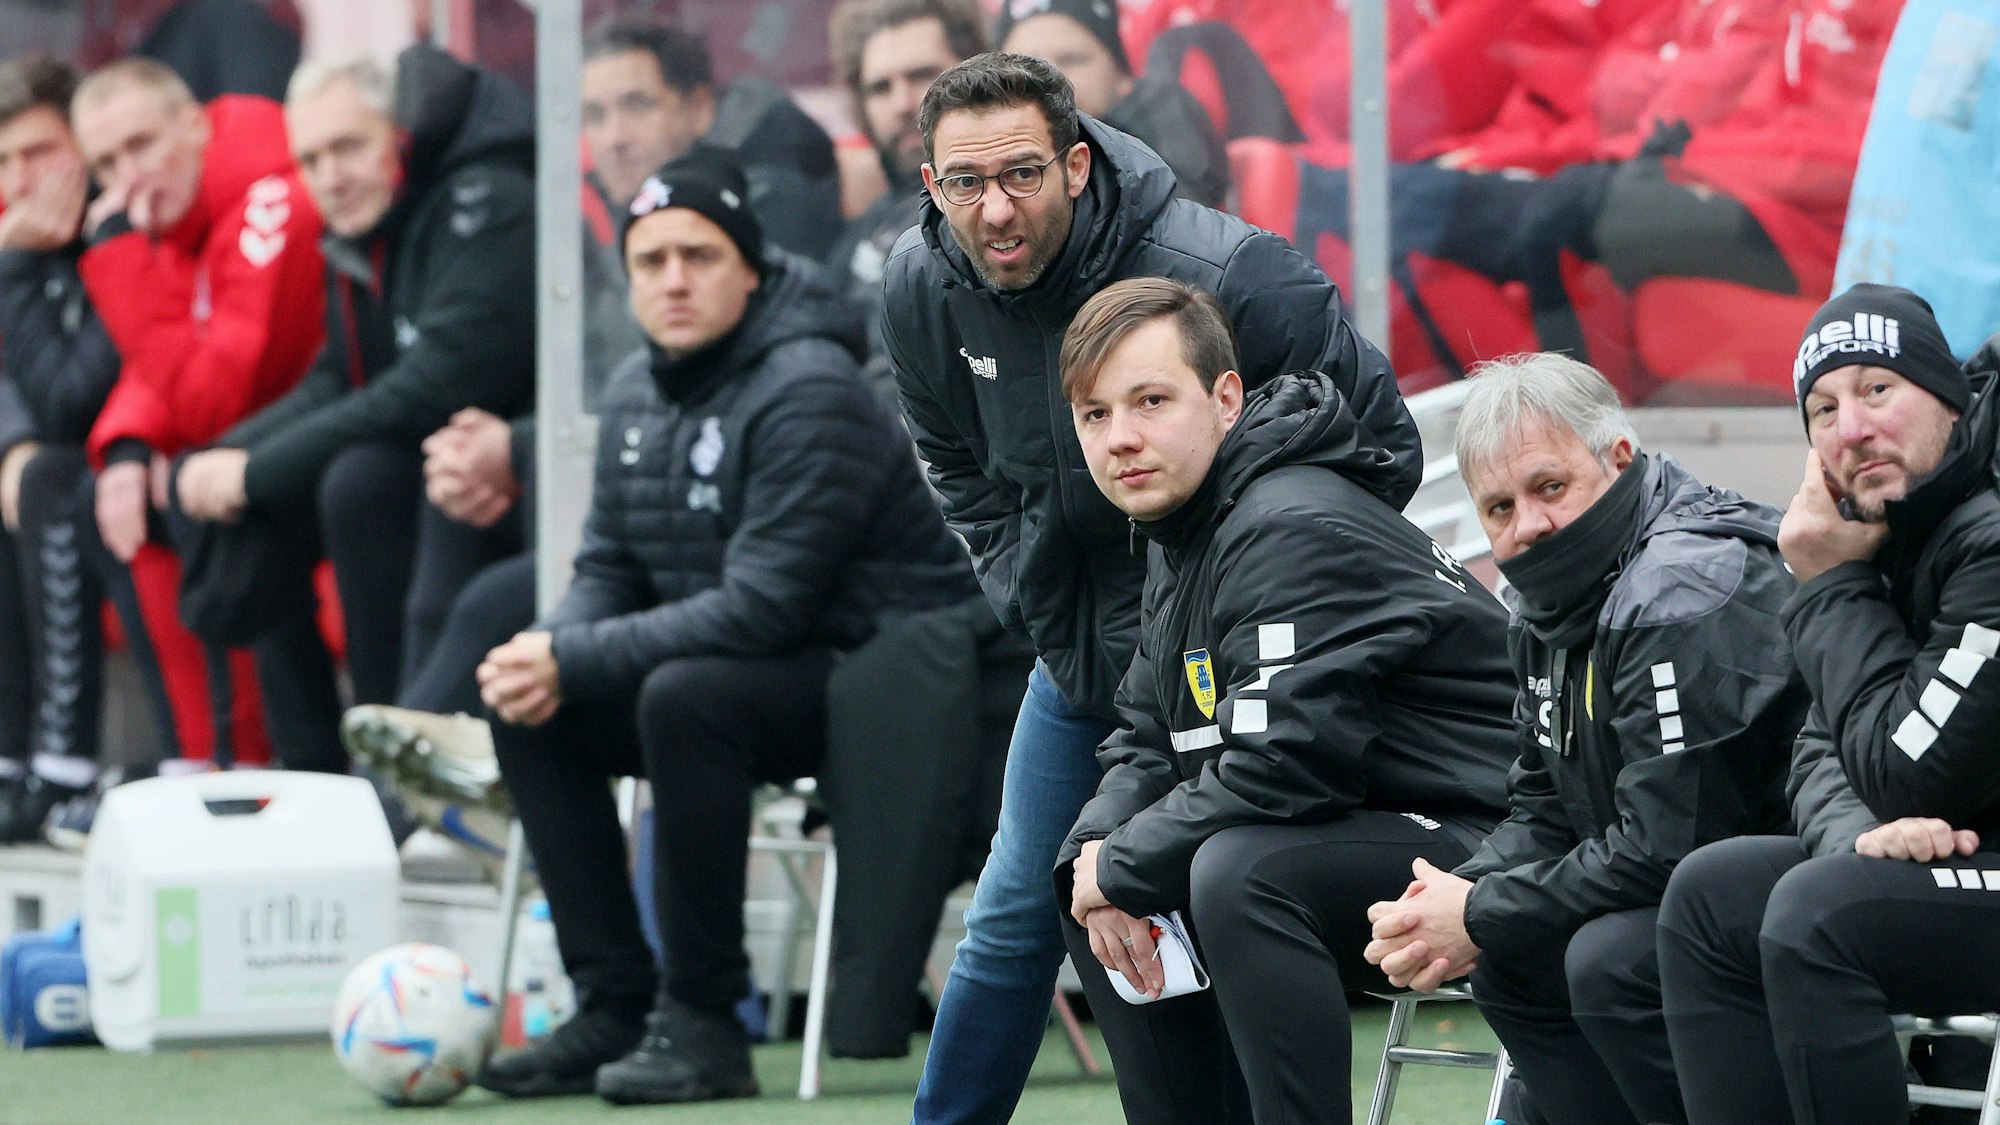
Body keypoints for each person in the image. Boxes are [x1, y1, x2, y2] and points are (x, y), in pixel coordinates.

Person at [884, 52, 1421, 1123]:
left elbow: (1379, 451)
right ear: (932, 185)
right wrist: (1032, 601)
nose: (993, 209)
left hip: (1235, 661)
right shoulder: (917, 282)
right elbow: (949, 460)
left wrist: (1233, 580)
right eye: (963, 183)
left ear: (1076, 165)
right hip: (1086, 663)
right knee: (1017, 916)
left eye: (1022, 175)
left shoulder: (1227, 271)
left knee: (1200, 893)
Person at [465, 149, 978, 1104]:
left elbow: (763, 605)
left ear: (749, 266)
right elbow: (606, 570)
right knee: (536, 708)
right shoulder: (633, 390)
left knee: (685, 696)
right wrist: (549, 652)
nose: (673, 279)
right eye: (651, 259)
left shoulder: (810, 386)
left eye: (698, 255)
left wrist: (573, 654)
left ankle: (704, 1018)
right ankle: (613, 1002)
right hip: (755, 666)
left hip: (878, 678)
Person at [1053, 277, 1514, 1122]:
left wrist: (1119, 861)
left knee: (1236, 871)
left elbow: (1286, 767)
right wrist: (1093, 853)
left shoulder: (1285, 521)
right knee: (1100, 888)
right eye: (1095, 414)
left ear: (1226, 398)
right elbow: (1149, 735)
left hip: (1497, 832)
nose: (1122, 438)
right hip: (1366, 822)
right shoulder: (1183, 526)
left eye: (1151, 401)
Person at [1359, 352, 1808, 1124]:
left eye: (1550, 487)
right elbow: (1542, 803)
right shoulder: (1544, 603)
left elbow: (1674, 846)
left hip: (1788, 875)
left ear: (1619, 460)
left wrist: (1481, 908)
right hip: (1675, 883)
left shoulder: (1680, 584)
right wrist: (1444, 903)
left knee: (1605, 961)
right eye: (1499, 508)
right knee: (1514, 959)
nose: (1529, 525)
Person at [1655, 285, 2000, 1125]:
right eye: (1823, 408)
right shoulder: (1883, 528)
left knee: (1819, 914)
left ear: (1947, 400)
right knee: (1708, 896)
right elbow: (1823, 744)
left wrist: (1832, 583)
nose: (1851, 429)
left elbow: (1907, 770)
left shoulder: (1984, 539)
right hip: (1960, 847)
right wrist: (1860, 838)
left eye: (1878, 389)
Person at [169, 46, 534, 744]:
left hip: (514, 475)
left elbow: (433, 385)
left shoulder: (486, 201)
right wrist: (226, 456)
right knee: (255, 500)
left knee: (356, 480)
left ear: (402, 135)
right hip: (437, 465)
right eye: (311, 160)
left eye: (349, 147)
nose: (330, 178)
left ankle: (394, 751)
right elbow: (339, 374)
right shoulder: (369, 229)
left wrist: (254, 469)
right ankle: (315, 762)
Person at [70, 57, 325, 768]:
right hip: (262, 440)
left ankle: (239, 760)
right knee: (113, 493)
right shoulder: (184, 217)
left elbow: (216, 394)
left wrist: (120, 258)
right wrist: (126, 443)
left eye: (142, 144)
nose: (130, 177)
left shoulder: (272, 199)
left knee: (193, 491)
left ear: (194, 124)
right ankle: (199, 756)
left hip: (319, 445)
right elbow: (176, 352)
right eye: (107, 162)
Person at [0, 53, 121, 842]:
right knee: (26, 471)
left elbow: (73, 399)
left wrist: (11, 269)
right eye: (4, 161)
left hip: (130, 453)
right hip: (60, 461)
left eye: (39, 153)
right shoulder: (19, 245)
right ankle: (9, 757)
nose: (21, 178)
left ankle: (64, 759)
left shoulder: (117, 232)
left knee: (47, 475)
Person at [826, 0, 986, 402]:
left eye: (922, 75)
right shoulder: (873, 216)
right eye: (880, 88)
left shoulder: (999, 207)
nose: (902, 104)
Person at [995, 0, 1228, 208]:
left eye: (1072, 60)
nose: (1048, 80)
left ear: (1122, 77)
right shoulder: (975, 143)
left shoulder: (1164, 119)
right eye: (1026, 64)